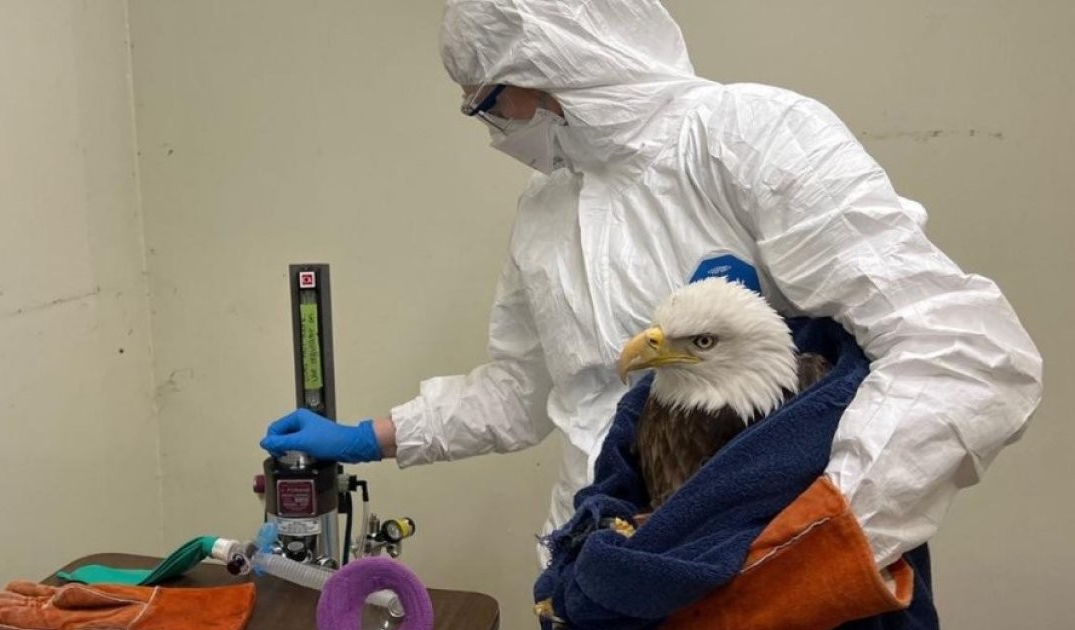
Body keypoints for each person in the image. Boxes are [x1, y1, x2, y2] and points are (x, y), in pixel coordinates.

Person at [261, 0, 1042, 581]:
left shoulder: (750, 136)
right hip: (591, 571)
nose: (490, 124)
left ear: (556, 59)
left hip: (752, 570)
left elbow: (963, 348)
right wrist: (366, 436)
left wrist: (809, 551)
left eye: (491, 98)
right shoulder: (544, 213)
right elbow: (521, 392)